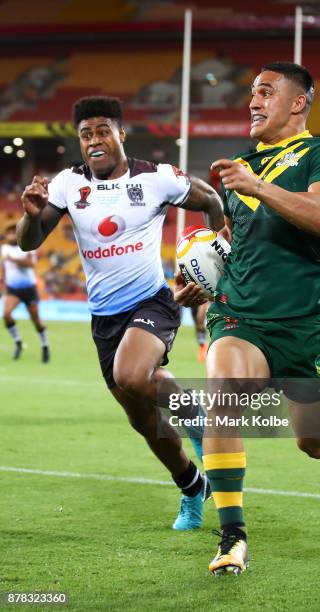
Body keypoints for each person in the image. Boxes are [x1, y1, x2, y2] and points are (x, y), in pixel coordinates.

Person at [175, 62, 320, 575]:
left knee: (314, 440)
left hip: (303, 326)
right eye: (252, 93)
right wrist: (207, 280)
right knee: (224, 391)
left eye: (266, 92)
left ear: (298, 102)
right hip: (240, 316)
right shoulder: (241, 163)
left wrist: (258, 186)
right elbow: (236, 247)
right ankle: (232, 536)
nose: (253, 102)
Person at [17, 96, 224, 530]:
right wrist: (31, 217)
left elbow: (210, 200)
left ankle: (195, 418)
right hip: (104, 318)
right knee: (143, 420)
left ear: (120, 133)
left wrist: (216, 260)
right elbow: (29, 242)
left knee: (133, 376)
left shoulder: (157, 178)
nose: (94, 140)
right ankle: (192, 486)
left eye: (102, 131)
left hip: (152, 301)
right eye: (85, 134)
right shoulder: (68, 184)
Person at [1, 223, 50, 362]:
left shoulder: (27, 246)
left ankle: (45, 345)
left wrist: (14, 260)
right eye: (8, 233)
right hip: (12, 288)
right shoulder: (4, 248)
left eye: (12, 232)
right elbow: (4, 265)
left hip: (29, 288)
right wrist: (3, 278)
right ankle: (18, 342)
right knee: (6, 315)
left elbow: (31, 264)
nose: (10, 235)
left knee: (35, 320)